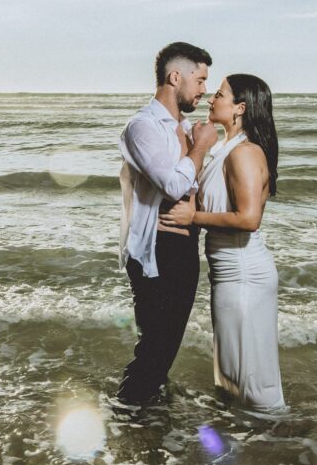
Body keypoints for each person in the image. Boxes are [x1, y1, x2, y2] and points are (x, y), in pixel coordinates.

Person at [160, 74, 285, 411]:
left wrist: (192, 218)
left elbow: (248, 219)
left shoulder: (244, 153)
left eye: (220, 94)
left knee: (252, 381)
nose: (212, 99)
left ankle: (279, 443)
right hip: (227, 273)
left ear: (240, 108)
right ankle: (252, 442)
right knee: (232, 375)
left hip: (244, 274)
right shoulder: (223, 149)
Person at [117, 42, 218, 405]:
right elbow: (173, 184)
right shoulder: (142, 127)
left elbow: (189, 189)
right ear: (176, 77)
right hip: (155, 250)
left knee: (167, 344)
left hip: (184, 245)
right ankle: (127, 413)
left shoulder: (187, 127)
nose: (205, 89)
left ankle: (149, 411)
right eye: (201, 79)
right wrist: (201, 147)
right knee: (155, 347)